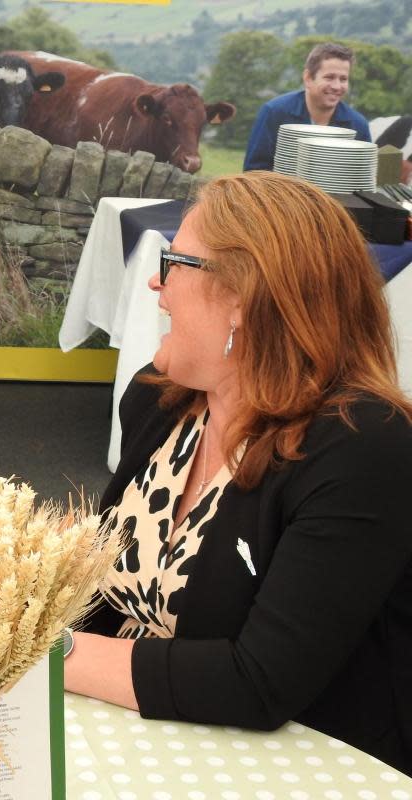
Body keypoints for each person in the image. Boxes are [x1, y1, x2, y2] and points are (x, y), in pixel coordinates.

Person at [65, 171, 412, 775]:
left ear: (242, 300)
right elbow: (105, 588)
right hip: (133, 733)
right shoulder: (160, 401)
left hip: (292, 765)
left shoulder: (363, 446)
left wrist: (39, 652)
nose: (155, 281)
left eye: (174, 261)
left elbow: (259, 680)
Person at [243, 42, 371, 171]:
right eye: (329, 77)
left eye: (343, 79)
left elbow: (364, 180)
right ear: (308, 78)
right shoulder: (274, 113)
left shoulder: (358, 125)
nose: (337, 86)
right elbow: (254, 173)